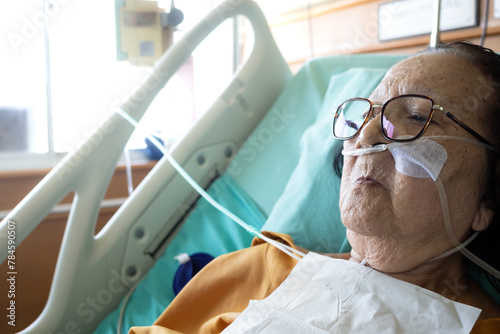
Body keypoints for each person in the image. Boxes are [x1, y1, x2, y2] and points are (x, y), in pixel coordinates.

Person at [129, 41, 500, 333]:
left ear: (487, 199)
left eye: (417, 117)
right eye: (364, 114)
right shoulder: (259, 269)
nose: (364, 136)